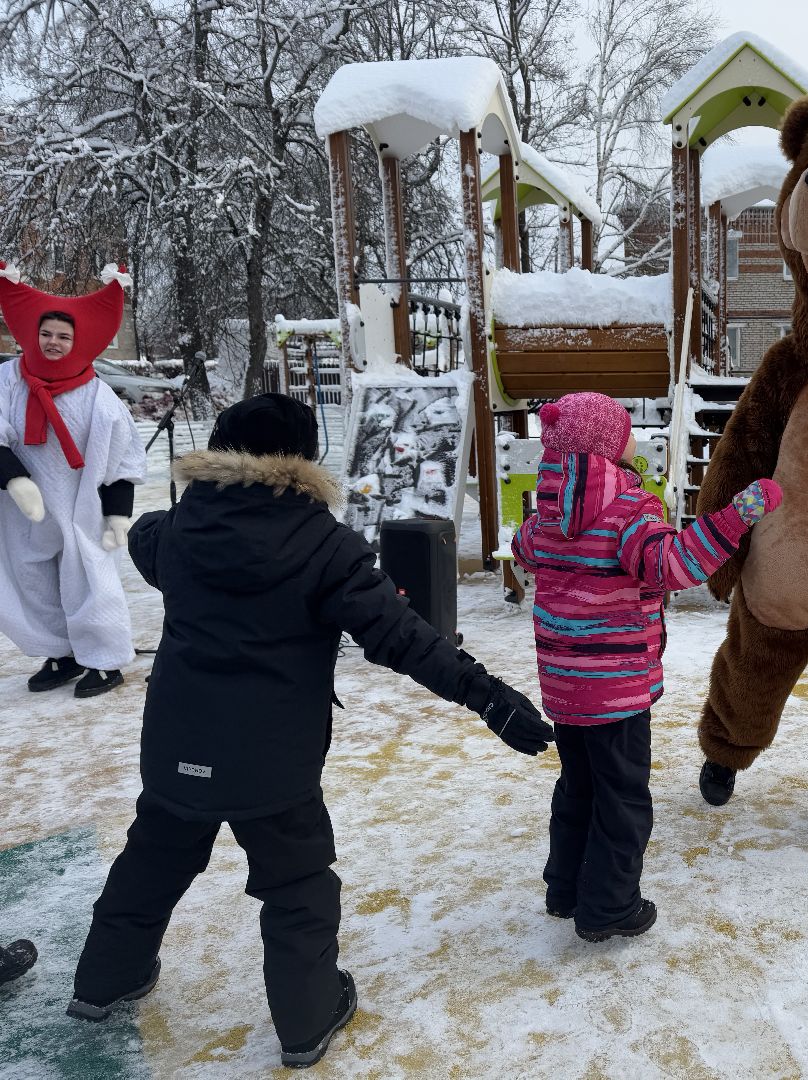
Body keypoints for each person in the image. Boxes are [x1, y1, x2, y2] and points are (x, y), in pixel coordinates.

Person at [68, 394, 553, 1070]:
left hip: (178, 746)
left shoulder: (176, 531)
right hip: (272, 763)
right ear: (300, 461)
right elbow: (404, 638)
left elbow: (147, 536)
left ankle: (102, 982)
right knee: (297, 887)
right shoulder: (325, 545)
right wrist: (489, 697)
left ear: (221, 453)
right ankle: (306, 1019)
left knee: (150, 862)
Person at [511, 392, 781, 943]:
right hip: (614, 691)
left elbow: (523, 549)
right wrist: (736, 517)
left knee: (578, 787)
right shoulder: (627, 511)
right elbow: (673, 565)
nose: (632, 439)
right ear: (609, 446)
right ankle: (609, 907)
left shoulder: (546, 509)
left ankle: (565, 889)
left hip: (564, 688)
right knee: (622, 801)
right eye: (625, 432)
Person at [0, 263, 145, 697]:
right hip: (23, 506)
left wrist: (118, 514)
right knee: (31, 578)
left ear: (77, 341)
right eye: (47, 334)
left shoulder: (97, 397)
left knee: (90, 577)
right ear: (33, 334)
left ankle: (104, 660)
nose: (54, 342)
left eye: (64, 336)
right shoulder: (9, 381)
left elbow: (122, 455)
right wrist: (14, 480)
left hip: (82, 507)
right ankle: (59, 652)